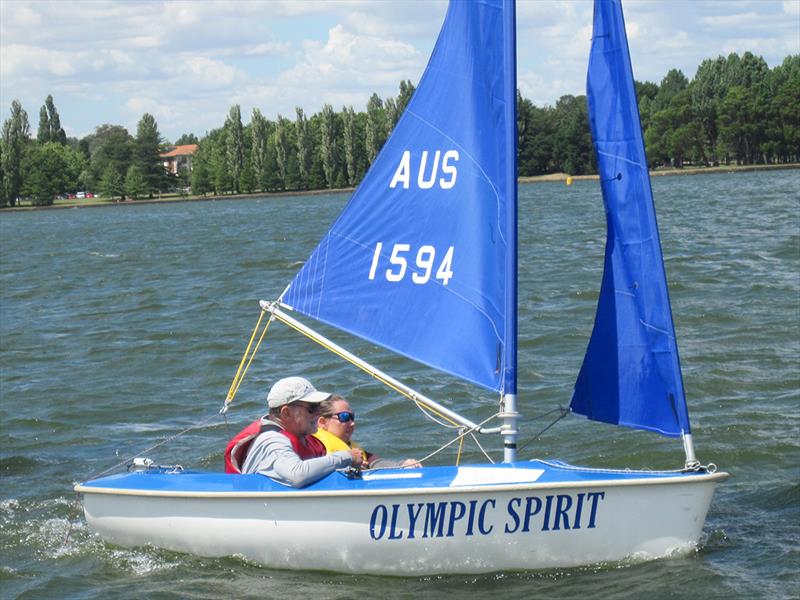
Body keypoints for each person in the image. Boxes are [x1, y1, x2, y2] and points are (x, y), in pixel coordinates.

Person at [224, 377, 363, 487]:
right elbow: (297, 474)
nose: (318, 413)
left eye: (319, 407)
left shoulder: (303, 437)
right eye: (312, 408)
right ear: (286, 413)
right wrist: (347, 457)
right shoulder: (272, 441)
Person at [313, 395, 421, 469]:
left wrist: (402, 465)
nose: (352, 423)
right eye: (344, 417)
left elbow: (376, 463)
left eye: (352, 417)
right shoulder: (313, 445)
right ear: (322, 422)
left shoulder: (354, 449)